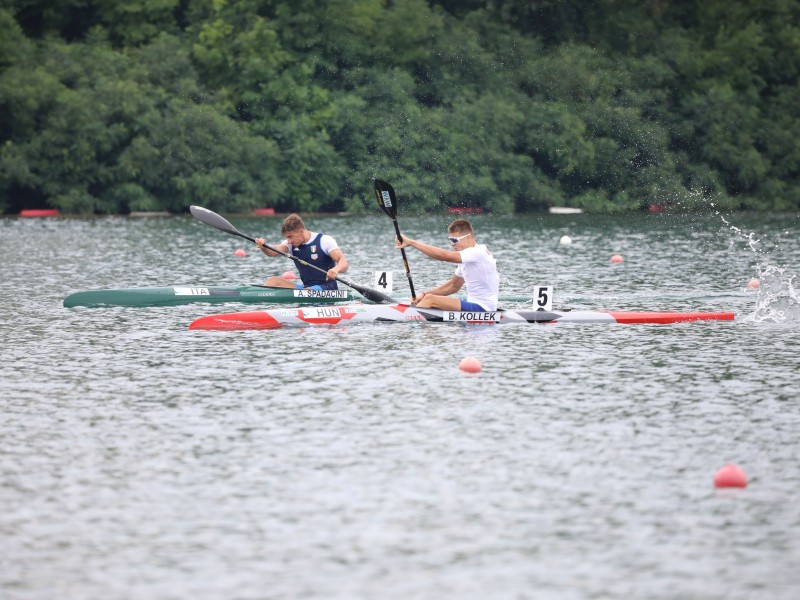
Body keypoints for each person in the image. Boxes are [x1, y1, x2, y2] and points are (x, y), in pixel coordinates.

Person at [395, 219, 499, 311]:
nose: (452, 244)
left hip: (484, 308)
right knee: (428, 298)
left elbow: (442, 255)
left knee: (430, 300)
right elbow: (453, 286)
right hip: (474, 305)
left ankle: (407, 318)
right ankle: (415, 312)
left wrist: (411, 243)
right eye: (450, 240)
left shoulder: (478, 252)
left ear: (468, 237)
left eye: (454, 240)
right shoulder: (467, 257)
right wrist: (423, 295)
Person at [254, 213, 349, 290]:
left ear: (301, 231)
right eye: (287, 238)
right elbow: (274, 251)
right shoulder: (290, 244)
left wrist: (336, 269)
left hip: (327, 288)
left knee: (307, 291)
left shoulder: (324, 240)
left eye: (290, 237)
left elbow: (344, 263)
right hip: (306, 288)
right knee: (273, 281)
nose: (289, 241)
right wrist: (264, 246)